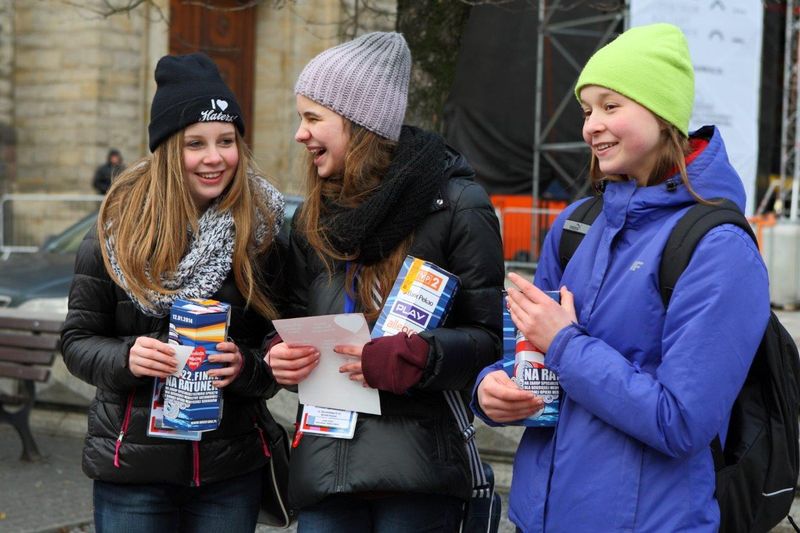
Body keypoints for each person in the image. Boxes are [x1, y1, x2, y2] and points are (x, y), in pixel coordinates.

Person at [473, 23, 770, 532]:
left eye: (612, 106)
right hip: (536, 518)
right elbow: (527, 359)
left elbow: (681, 422)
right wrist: (492, 392)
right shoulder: (575, 225)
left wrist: (564, 344)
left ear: (663, 114)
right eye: (587, 110)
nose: (591, 126)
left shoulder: (719, 246)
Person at [266, 32, 505, 532]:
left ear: (360, 124)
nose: (299, 134)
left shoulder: (458, 205)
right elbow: (288, 315)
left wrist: (418, 356)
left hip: (417, 473)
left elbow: (488, 340)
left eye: (313, 118)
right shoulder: (312, 217)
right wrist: (279, 352)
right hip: (325, 469)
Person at [61, 53, 286, 533]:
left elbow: (282, 349)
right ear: (166, 150)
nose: (214, 157)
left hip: (229, 468)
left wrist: (247, 366)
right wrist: (126, 358)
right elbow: (77, 341)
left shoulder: (262, 234)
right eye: (195, 144)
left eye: (226, 141)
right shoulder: (115, 233)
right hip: (133, 469)